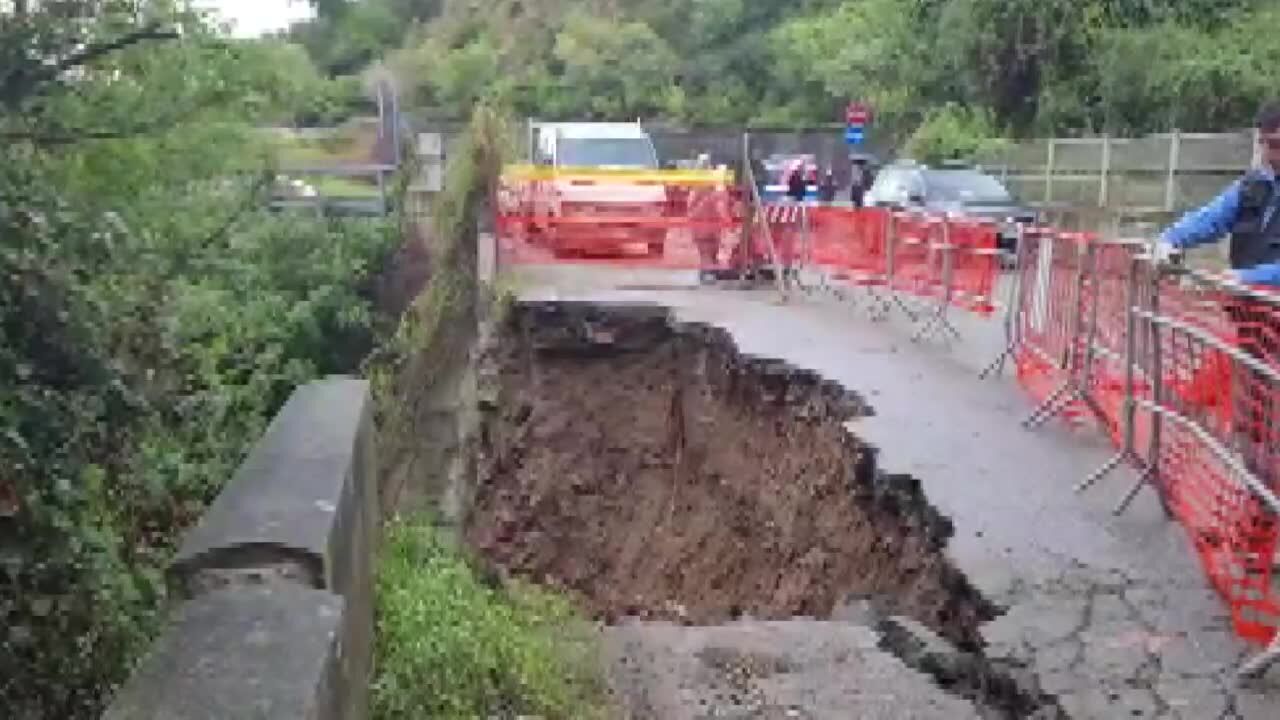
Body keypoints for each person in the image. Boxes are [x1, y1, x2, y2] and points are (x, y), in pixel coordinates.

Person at [1155, 101, 1280, 555]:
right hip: (1256, 331)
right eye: (1266, 144)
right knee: (1255, 430)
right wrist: (1170, 239)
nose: (1272, 153)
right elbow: (1212, 216)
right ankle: (1260, 525)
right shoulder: (1255, 186)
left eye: (1279, 145)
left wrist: (1252, 279)